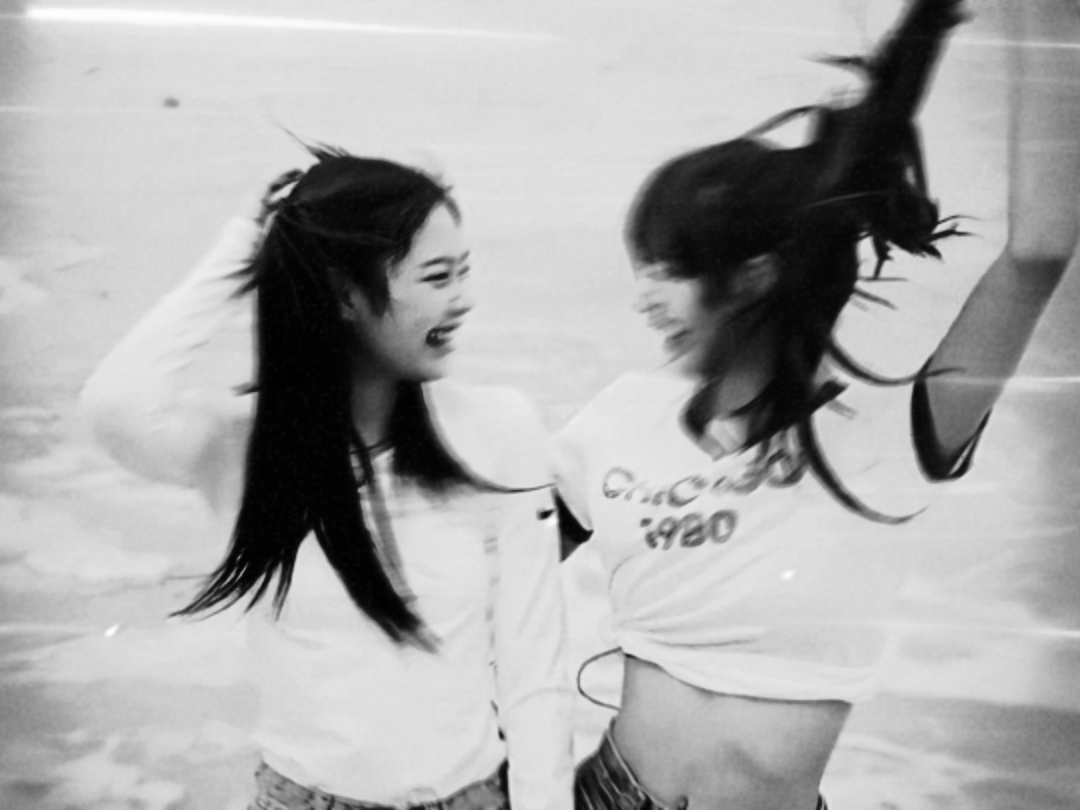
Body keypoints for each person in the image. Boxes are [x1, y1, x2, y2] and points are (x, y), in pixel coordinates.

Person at [554, 1, 1080, 809]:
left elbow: (1037, 253)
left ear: (754, 277)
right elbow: (481, 585)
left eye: (668, 271)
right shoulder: (616, 422)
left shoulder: (894, 431)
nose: (644, 299)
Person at [80, 150, 573, 810]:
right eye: (437, 277)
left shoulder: (499, 429)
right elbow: (115, 405)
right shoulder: (245, 447)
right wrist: (244, 249)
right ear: (343, 294)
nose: (464, 299)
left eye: (464, 271)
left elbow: (534, 668)